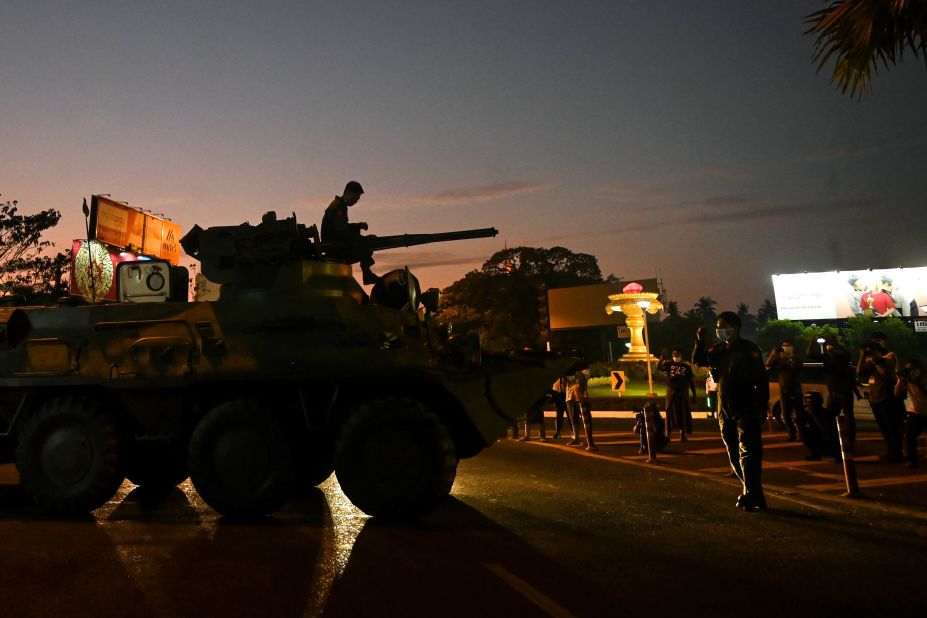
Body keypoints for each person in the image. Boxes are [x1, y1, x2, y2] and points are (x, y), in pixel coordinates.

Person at [693, 311, 769, 511]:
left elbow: (761, 379)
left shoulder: (748, 349)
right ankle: (753, 493)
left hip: (746, 404)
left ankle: (751, 493)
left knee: (749, 451)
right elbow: (700, 360)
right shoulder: (718, 350)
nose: (720, 330)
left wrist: (762, 405)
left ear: (734, 327)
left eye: (723, 326)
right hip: (724, 406)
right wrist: (699, 341)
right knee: (732, 450)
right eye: (718, 326)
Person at [857, 332, 904, 462]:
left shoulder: (888, 358)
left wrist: (876, 362)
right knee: (884, 429)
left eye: (878, 341)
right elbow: (859, 372)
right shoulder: (870, 360)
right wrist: (862, 356)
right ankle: (890, 453)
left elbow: (886, 375)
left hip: (887, 399)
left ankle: (897, 454)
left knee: (893, 428)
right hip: (875, 399)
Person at [806, 333, 858, 451]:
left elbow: (843, 355)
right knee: (832, 417)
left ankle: (848, 443)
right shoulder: (829, 356)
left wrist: (812, 341)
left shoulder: (838, 354)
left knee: (846, 418)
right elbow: (809, 354)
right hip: (836, 391)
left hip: (842, 391)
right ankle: (836, 442)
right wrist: (812, 340)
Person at [321, 180, 379, 284]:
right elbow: (341, 232)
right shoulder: (338, 207)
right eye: (355, 198)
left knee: (366, 244)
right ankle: (367, 275)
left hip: (336, 244)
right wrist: (364, 239)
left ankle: (367, 274)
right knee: (366, 245)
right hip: (335, 248)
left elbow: (342, 227)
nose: (356, 201)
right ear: (348, 192)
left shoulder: (340, 205)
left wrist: (358, 226)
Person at [765, 339, 802, 441]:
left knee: (798, 414)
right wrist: (773, 355)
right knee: (785, 414)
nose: (785, 347)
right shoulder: (779, 359)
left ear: (792, 347)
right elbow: (768, 365)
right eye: (784, 346)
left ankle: (801, 435)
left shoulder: (796, 359)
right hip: (784, 389)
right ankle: (792, 434)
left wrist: (791, 357)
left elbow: (797, 367)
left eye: (788, 345)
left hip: (796, 389)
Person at [658, 348, 697, 442]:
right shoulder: (668, 365)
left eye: (678, 354)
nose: (676, 356)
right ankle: (668, 433)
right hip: (671, 392)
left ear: (681, 356)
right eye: (674, 354)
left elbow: (691, 381)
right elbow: (659, 368)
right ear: (672, 356)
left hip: (683, 393)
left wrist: (694, 395)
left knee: (683, 413)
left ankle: (683, 433)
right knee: (669, 412)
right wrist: (661, 358)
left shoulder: (686, 367)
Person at [894, 359, 927, 468]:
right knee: (909, 436)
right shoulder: (907, 380)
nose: (909, 372)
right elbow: (897, 394)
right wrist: (900, 380)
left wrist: (917, 382)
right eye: (907, 369)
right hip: (915, 411)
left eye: (911, 369)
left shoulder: (924, 378)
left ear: (918, 369)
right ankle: (912, 460)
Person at [563, 368, 597, 451]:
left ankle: (590, 441)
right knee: (573, 419)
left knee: (586, 419)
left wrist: (575, 370)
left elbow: (583, 380)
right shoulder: (568, 369)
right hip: (570, 396)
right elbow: (565, 382)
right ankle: (576, 438)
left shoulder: (584, 369)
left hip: (581, 397)